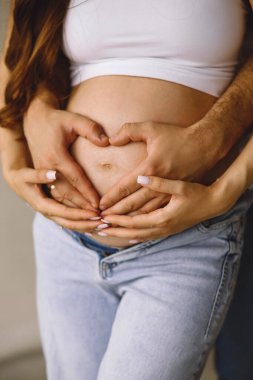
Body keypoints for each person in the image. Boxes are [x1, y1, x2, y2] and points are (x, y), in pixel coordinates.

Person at [1, 1, 253, 379]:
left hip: (182, 244)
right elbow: (19, 48)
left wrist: (225, 191)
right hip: (66, 240)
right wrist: (13, 160)